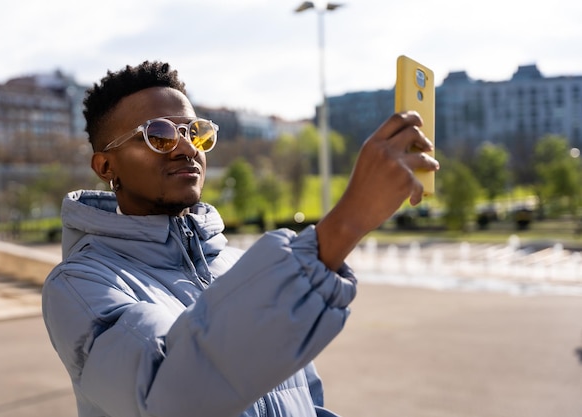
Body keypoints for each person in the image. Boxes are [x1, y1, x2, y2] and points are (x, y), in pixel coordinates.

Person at [41, 61, 438, 417]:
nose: (185, 148)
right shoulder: (79, 284)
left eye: (195, 133)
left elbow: (304, 396)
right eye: (158, 135)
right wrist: (347, 222)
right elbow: (171, 396)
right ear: (105, 164)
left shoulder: (237, 264)